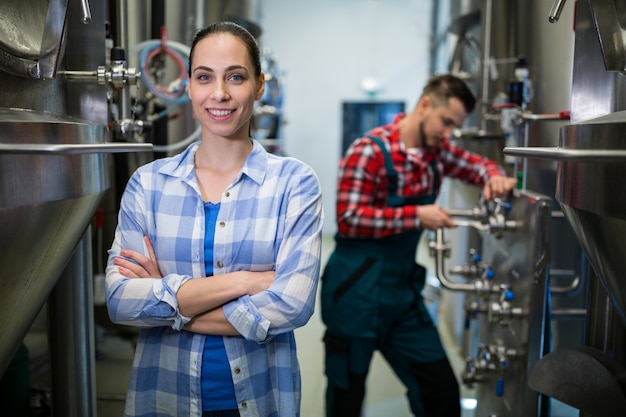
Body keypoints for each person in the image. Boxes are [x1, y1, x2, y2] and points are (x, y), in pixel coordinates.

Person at [105, 21, 324, 417]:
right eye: (204, 77)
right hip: (165, 400)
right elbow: (120, 302)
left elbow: (292, 304)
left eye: (235, 77)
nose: (219, 93)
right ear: (188, 86)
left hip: (260, 401)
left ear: (259, 86)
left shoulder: (294, 183)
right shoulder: (150, 184)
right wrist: (244, 282)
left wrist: (166, 304)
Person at [320, 74, 517, 417]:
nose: (449, 133)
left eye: (455, 126)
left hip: (401, 298)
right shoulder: (370, 150)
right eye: (446, 122)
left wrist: (493, 175)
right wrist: (415, 216)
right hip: (354, 295)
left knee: (440, 390)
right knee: (346, 396)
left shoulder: (436, 154)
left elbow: (477, 166)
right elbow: (349, 217)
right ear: (425, 106)